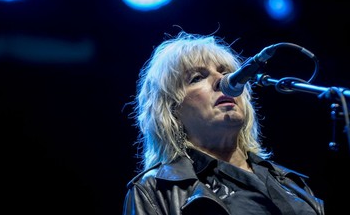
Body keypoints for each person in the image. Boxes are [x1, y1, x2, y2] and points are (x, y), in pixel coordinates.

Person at [122, 30, 325, 215]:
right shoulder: (154, 191)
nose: (222, 81)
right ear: (172, 110)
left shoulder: (291, 183)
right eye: (197, 77)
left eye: (226, 73)